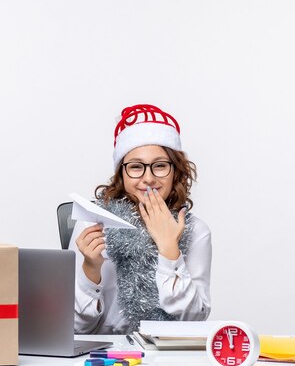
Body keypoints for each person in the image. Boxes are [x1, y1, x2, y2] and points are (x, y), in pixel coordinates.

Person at [69, 104, 212, 335]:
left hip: (166, 360)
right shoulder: (93, 225)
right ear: (121, 174)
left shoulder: (196, 231)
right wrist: (90, 268)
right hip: (106, 359)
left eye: (160, 166)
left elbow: (193, 322)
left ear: (175, 171)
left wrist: (169, 249)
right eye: (136, 167)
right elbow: (76, 328)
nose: (148, 178)